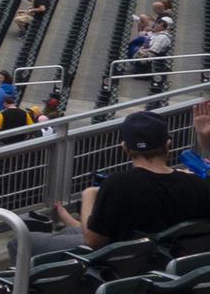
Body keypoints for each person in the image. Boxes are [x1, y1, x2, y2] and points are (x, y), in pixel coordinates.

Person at [40, 108, 210, 252]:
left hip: (121, 267)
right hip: (172, 267)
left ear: (125, 148)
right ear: (168, 144)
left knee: (20, 242)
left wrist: (88, 196)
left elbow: (93, 242)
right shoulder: (198, 185)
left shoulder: (117, 184)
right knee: (65, 234)